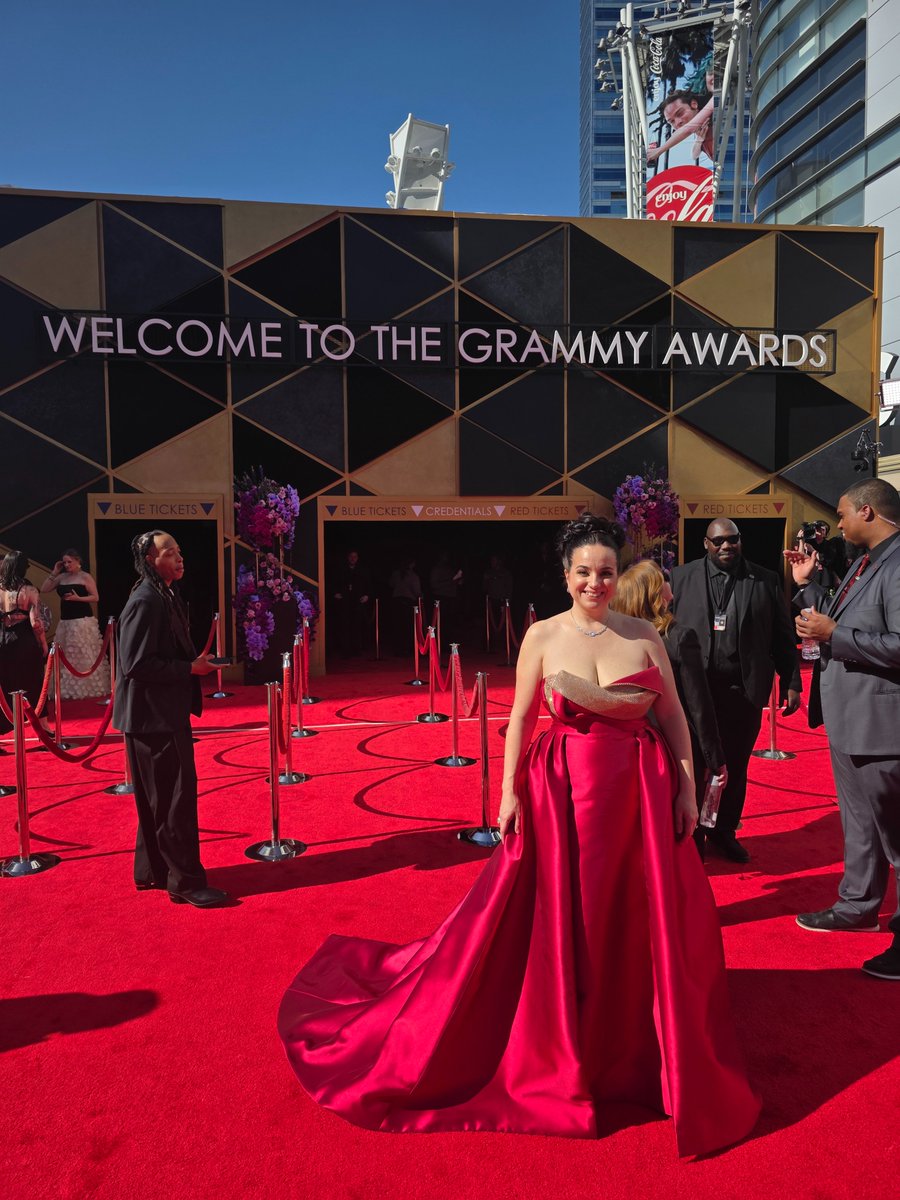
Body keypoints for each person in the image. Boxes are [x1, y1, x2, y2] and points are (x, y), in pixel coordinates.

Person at [278, 515, 760, 1156]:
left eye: (607, 571)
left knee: (636, 917)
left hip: (640, 800)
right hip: (563, 795)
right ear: (566, 575)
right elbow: (523, 718)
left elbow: (672, 717)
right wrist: (507, 792)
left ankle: (636, 1042)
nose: (596, 582)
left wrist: (684, 787)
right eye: (584, 571)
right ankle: (567, 1041)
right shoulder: (540, 634)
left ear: (620, 576)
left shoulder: (644, 635)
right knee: (567, 916)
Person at [787, 479, 900, 981]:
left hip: (883, 725)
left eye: (842, 514)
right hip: (851, 719)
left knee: (896, 836)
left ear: (869, 512)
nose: (837, 523)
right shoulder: (864, 561)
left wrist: (837, 635)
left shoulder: (896, 566)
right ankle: (858, 906)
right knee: (859, 824)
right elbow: (837, 616)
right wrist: (808, 588)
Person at [670, 520, 801, 863]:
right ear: (706, 544)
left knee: (736, 764)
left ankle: (724, 830)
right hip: (694, 692)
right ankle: (694, 832)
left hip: (744, 690)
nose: (727, 546)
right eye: (719, 541)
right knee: (696, 764)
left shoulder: (764, 579)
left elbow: (782, 636)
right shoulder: (680, 578)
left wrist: (791, 680)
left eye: (733, 539)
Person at [112, 530, 229, 908]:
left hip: (155, 714)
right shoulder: (146, 600)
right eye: (169, 552)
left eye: (180, 551)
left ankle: (153, 871)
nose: (180, 558)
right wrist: (189, 669)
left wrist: (192, 666)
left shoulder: (162, 593)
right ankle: (186, 882)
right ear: (150, 559)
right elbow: (135, 664)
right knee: (175, 800)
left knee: (158, 799)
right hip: (154, 717)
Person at [611, 560, 726, 858]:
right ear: (651, 593)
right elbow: (698, 704)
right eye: (663, 582)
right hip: (677, 746)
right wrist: (715, 759)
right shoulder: (679, 637)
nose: (670, 593)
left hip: (632, 747)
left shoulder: (617, 639)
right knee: (683, 825)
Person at [41, 548, 111, 699]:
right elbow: (44, 589)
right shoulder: (61, 577)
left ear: (78, 561)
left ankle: (87, 688)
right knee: (66, 654)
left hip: (82, 620)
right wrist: (55, 571)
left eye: (69, 562)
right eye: (64, 562)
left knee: (82, 653)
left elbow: (95, 597)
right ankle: (66, 689)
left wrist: (78, 598)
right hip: (65, 621)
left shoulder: (85, 577)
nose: (67, 565)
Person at [0, 550, 48, 736]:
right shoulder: (29, 590)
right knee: (34, 682)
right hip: (23, 640)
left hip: (2, 639)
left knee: (3, 685)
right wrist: (43, 644)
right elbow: (36, 623)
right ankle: (43, 727)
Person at [332, 549, 371, 656]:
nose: (353, 559)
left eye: (355, 557)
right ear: (348, 557)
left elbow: (368, 583)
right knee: (344, 626)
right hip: (345, 601)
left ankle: (357, 649)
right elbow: (334, 582)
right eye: (351, 556)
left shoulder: (363, 570)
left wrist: (366, 595)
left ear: (357, 558)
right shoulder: (341, 569)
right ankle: (345, 650)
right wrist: (336, 593)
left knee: (357, 626)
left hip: (358, 601)